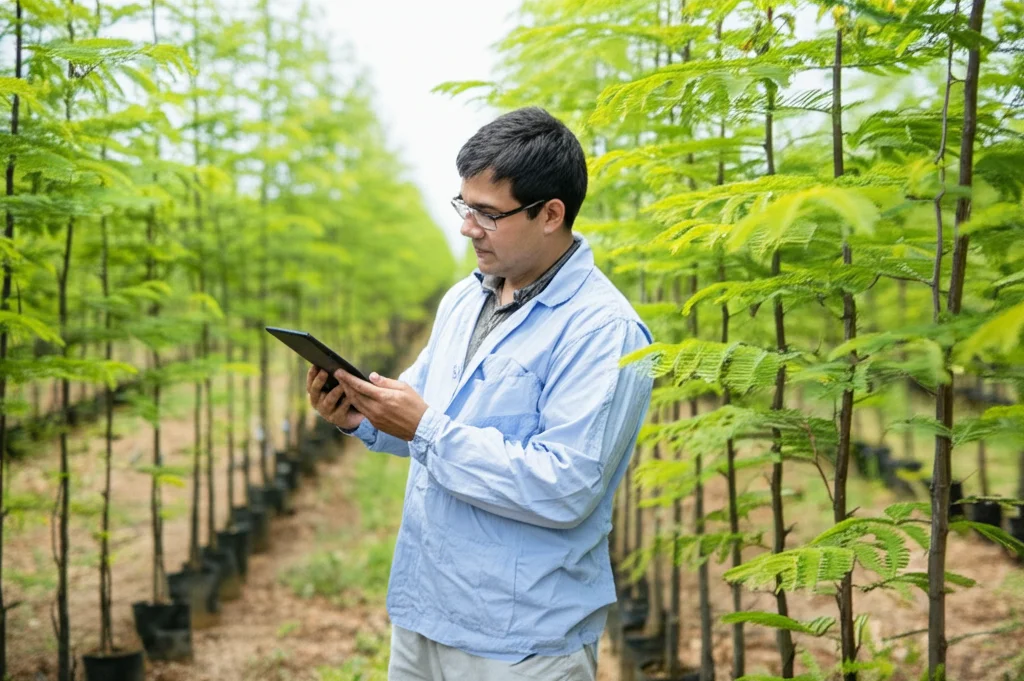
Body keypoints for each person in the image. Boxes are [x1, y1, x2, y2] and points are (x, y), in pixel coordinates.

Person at [306, 106, 653, 681]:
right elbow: (423, 423)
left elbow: (567, 487)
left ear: (550, 214)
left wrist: (424, 427)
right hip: (425, 613)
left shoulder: (602, 330)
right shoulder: (463, 301)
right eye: (465, 207)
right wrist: (360, 417)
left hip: (523, 640)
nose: (468, 227)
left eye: (488, 214)